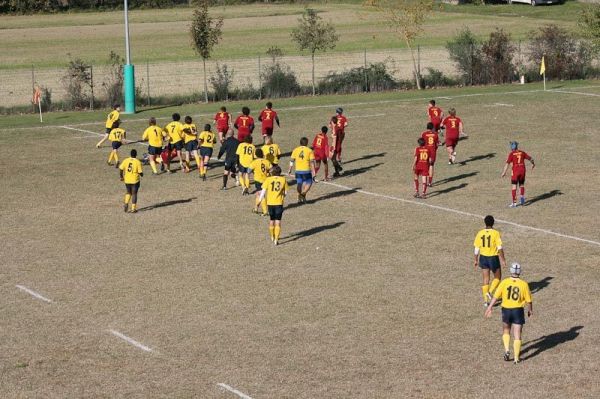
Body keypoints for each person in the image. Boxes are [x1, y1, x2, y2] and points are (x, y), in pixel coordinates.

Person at [485, 262, 533, 364]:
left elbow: (496, 296)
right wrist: (530, 310)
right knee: (517, 334)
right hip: (518, 311)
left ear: (511, 271)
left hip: (506, 310)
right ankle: (516, 358)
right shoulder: (524, 284)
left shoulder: (504, 282)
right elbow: (529, 301)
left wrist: (489, 307)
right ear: (519, 272)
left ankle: (507, 350)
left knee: (506, 330)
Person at [474, 215, 507, 306]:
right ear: (493, 223)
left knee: (485, 279)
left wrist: (476, 259)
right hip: (493, 258)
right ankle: (490, 292)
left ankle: (486, 301)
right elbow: (499, 248)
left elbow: (476, 248)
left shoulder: (480, 233)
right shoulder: (496, 233)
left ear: (485, 222)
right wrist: (503, 259)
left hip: (483, 257)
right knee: (498, 277)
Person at [258, 165, 288, 246]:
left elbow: (263, 191)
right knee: (278, 221)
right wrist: (282, 196)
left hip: (270, 203)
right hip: (279, 203)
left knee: (272, 221)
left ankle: (272, 236)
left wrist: (259, 201)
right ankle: (276, 239)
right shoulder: (283, 180)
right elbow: (285, 193)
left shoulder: (268, 180)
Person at [501, 141, 535, 208]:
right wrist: (533, 164)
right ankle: (522, 196)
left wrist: (504, 172)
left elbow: (507, 164)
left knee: (514, 186)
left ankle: (514, 203)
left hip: (515, 170)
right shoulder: (522, 152)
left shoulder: (511, 154)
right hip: (522, 170)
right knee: (521, 185)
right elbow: (531, 158)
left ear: (512, 147)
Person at [288, 137, 316, 204]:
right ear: (306, 143)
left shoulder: (295, 150)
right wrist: (314, 172)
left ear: (300, 143)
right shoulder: (309, 150)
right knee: (309, 182)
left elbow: (292, 160)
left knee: (299, 183)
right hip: (306, 170)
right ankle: (303, 194)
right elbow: (312, 162)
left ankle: (299, 198)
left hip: (298, 170)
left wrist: (290, 169)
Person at [248, 149, 272, 215]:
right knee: (258, 195)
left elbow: (248, 171)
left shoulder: (254, 162)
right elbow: (272, 169)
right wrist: (268, 173)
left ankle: (265, 211)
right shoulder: (267, 161)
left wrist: (253, 171)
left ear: (255, 155)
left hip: (258, 181)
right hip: (266, 180)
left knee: (261, 195)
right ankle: (255, 208)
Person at [119, 149, 144, 213]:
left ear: (130, 154)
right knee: (134, 194)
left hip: (127, 180)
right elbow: (140, 172)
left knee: (128, 192)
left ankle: (126, 203)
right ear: (136, 155)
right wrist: (142, 174)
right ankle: (133, 209)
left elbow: (121, 169)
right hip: (135, 180)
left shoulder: (126, 160)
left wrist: (121, 177)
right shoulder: (137, 162)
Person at [421, 122, 440, 186]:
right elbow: (437, 144)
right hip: (432, 152)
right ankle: (430, 182)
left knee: (425, 166)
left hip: (425, 152)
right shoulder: (435, 134)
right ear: (432, 127)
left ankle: (424, 182)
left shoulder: (423, 134)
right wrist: (435, 149)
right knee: (431, 166)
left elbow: (421, 143)